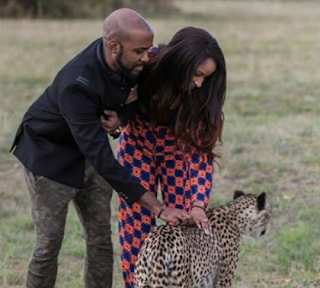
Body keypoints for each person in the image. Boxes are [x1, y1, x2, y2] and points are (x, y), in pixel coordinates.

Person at [9, 8, 192, 288]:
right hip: (50, 157)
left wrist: (122, 118)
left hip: (89, 150)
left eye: (148, 49)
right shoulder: (77, 83)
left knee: (100, 240)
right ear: (114, 46)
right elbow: (102, 158)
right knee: (49, 245)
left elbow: (136, 94)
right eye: (140, 51)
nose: (147, 56)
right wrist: (158, 208)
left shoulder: (131, 60)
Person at [113, 26, 227, 288]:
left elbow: (199, 156)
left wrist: (199, 204)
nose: (199, 83)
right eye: (197, 74)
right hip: (136, 150)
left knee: (185, 224)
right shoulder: (146, 63)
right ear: (180, 63)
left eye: (205, 78)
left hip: (177, 156)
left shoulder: (200, 99)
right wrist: (119, 108)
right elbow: (109, 80)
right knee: (135, 227)